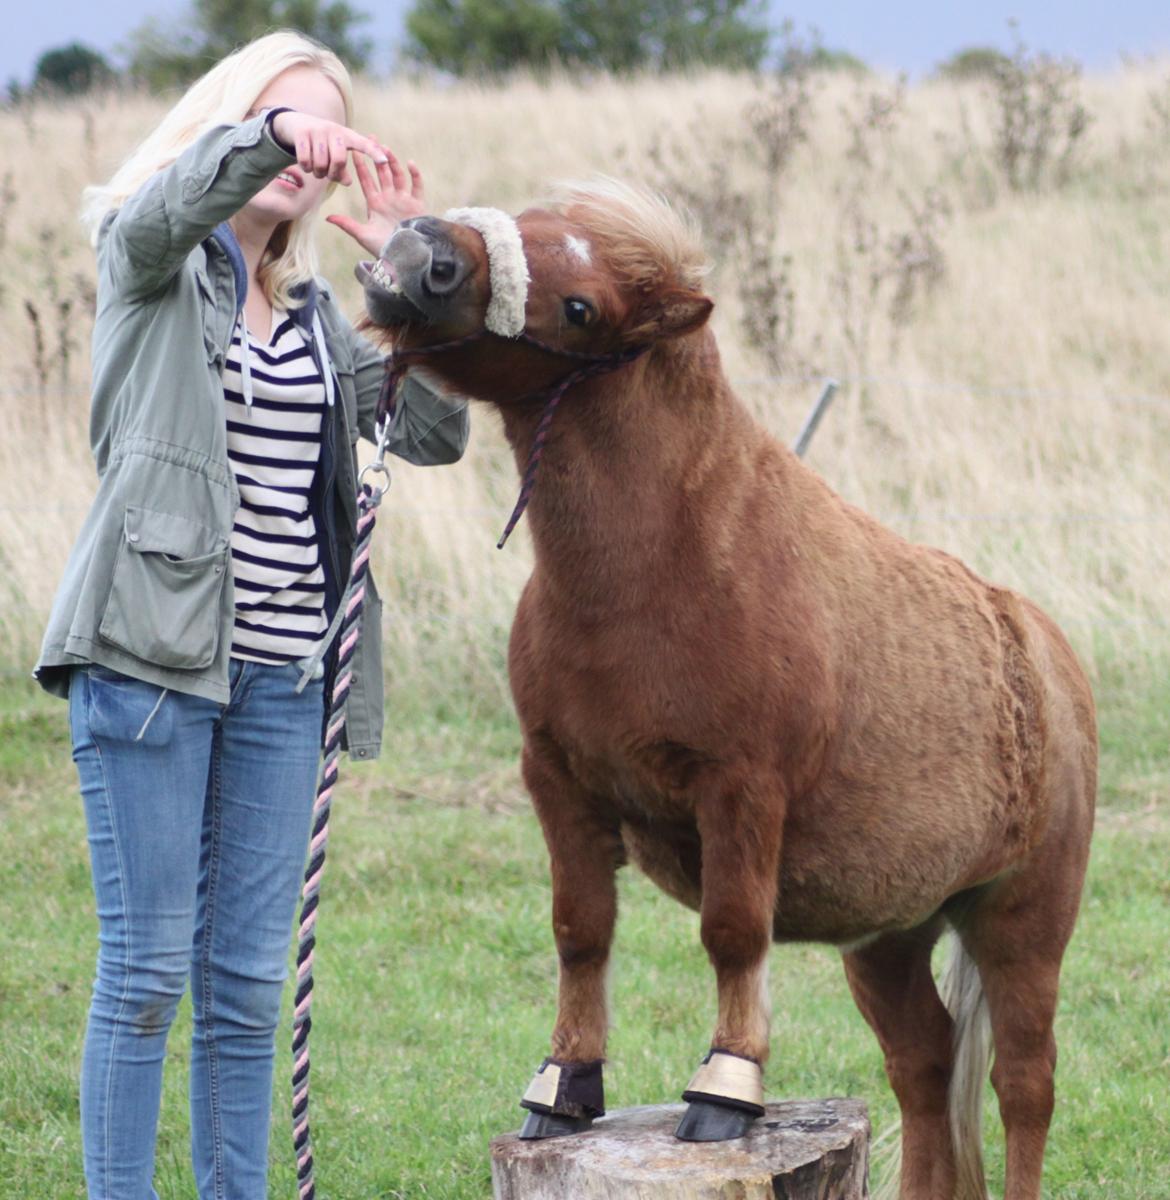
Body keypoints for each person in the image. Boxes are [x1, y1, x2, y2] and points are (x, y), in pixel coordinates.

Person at [33, 30, 468, 1200]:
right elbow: (173, 207)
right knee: (144, 976)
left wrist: (409, 289)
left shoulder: (323, 318)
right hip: (150, 670)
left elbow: (433, 432)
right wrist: (269, 135)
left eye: (324, 134)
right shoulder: (151, 259)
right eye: (286, 120)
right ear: (232, 121)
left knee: (241, 988)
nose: (305, 149)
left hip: (284, 684)